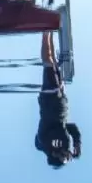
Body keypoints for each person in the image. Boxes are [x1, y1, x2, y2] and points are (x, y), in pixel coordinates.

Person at [34, 31, 82, 168]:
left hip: (50, 99)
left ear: (56, 155)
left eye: (64, 157)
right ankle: (49, 31)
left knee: (48, 62)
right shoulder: (65, 144)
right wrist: (77, 143)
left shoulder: (46, 143)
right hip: (60, 98)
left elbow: (55, 128)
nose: (67, 155)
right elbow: (71, 127)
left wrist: (62, 152)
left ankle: (45, 33)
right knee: (53, 61)